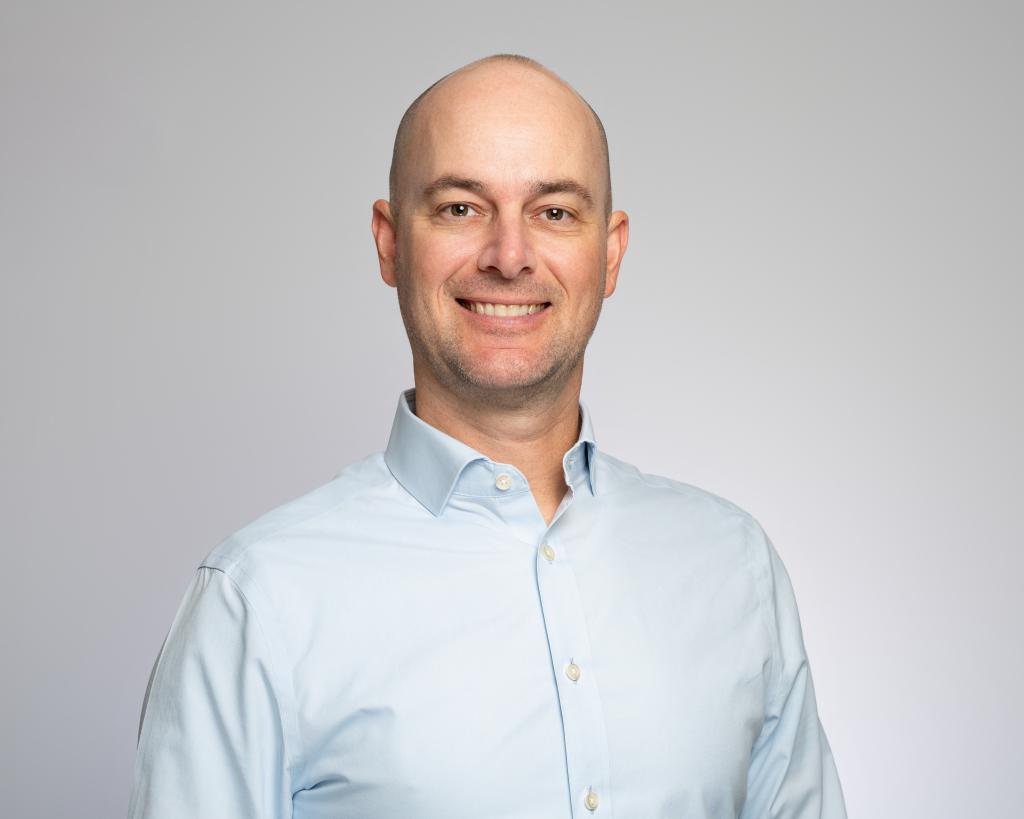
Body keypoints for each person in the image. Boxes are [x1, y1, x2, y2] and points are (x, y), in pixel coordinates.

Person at [128, 54, 847, 818]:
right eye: (461, 208)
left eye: (556, 212)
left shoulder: (734, 569)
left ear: (610, 252)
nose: (509, 256)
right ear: (388, 242)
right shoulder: (257, 602)